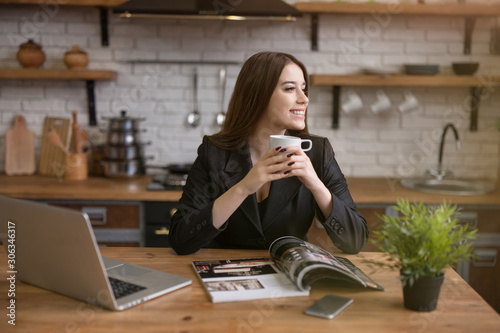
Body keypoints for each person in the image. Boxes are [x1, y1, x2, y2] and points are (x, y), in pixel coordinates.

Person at [169, 51, 368, 255]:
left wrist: (315, 183)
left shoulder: (318, 152)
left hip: (290, 277)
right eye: (290, 89)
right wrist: (244, 187)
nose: (304, 99)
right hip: (227, 278)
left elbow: (356, 241)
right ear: (258, 94)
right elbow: (181, 239)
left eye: (304, 89)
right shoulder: (215, 152)